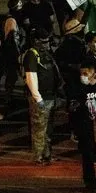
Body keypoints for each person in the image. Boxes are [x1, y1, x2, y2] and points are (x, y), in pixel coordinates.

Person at [72, 60, 96, 193]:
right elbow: (73, 110)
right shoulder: (78, 89)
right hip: (86, 128)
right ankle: (91, 184)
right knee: (88, 156)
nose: (83, 76)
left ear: (94, 74)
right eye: (81, 73)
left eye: (86, 73)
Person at [23, 28, 61, 165]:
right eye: (43, 42)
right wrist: (38, 99)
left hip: (50, 96)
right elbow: (31, 78)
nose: (46, 45)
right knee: (39, 129)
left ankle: (47, 154)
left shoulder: (46, 54)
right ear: (36, 41)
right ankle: (38, 156)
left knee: (48, 129)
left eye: (47, 42)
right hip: (41, 98)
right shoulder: (32, 55)